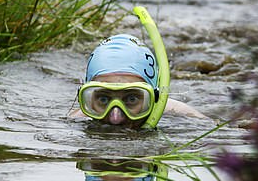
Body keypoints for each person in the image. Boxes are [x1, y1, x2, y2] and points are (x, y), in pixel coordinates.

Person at [70, 33, 207, 129]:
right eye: (103, 100)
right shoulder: (77, 119)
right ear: (88, 100)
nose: (115, 118)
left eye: (131, 99)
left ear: (155, 98)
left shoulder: (183, 115)